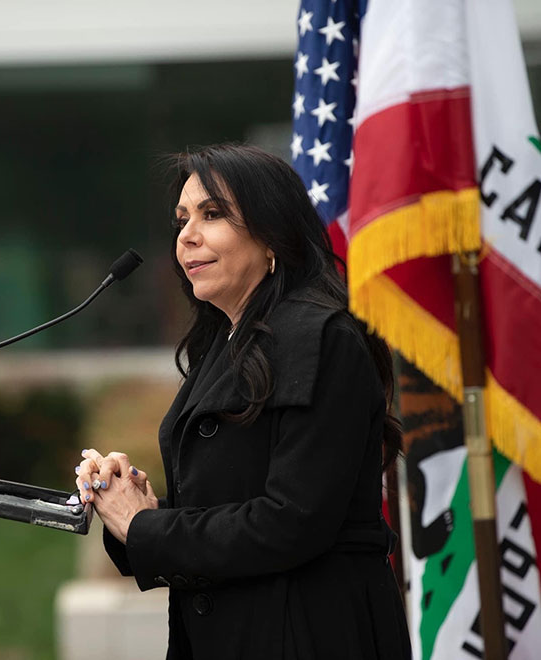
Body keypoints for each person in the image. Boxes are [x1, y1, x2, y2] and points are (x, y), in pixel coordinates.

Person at [75, 144, 411, 659]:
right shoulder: (224, 342)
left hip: (306, 633)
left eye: (213, 215)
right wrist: (128, 506)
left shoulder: (322, 337)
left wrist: (149, 528)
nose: (187, 235)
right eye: (182, 218)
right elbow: (228, 504)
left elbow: (293, 520)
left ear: (273, 235)